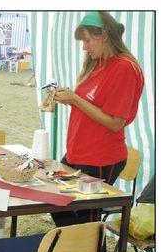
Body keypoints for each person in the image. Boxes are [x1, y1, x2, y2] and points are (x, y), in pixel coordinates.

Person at [49, 12, 145, 224]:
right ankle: (77, 249)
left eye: (87, 40)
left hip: (101, 157)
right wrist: (70, 98)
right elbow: (91, 104)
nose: (84, 47)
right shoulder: (98, 63)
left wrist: (76, 100)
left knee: (88, 220)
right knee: (54, 198)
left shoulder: (124, 68)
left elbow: (115, 122)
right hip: (78, 153)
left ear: (104, 35)